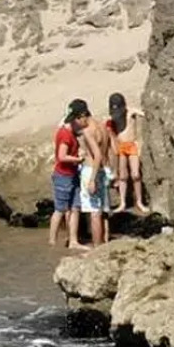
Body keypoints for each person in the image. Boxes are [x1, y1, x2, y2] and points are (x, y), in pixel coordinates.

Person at [49, 100, 88, 251]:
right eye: (84, 117)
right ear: (77, 118)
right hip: (63, 176)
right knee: (60, 209)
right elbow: (62, 156)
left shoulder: (68, 130)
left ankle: (73, 241)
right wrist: (78, 159)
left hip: (71, 174)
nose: (85, 121)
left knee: (75, 208)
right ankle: (52, 240)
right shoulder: (65, 135)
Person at [75, 106, 114, 246]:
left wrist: (92, 179)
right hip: (103, 170)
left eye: (77, 119)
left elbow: (97, 155)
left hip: (92, 170)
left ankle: (97, 249)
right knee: (103, 210)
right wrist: (109, 170)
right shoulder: (103, 127)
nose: (76, 123)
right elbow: (108, 151)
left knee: (94, 213)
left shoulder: (88, 131)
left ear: (83, 115)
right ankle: (105, 242)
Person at [108, 93, 149, 214]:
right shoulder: (112, 118)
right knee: (123, 176)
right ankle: (122, 203)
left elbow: (142, 113)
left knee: (136, 174)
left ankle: (139, 201)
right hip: (121, 147)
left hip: (132, 145)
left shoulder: (130, 112)